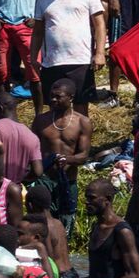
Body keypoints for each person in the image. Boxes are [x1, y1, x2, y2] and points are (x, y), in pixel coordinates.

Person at [31, 0, 107, 115]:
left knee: (80, 107)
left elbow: (99, 24)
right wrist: (33, 57)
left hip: (80, 60)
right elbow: (37, 32)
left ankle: (82, 140)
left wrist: (100, 53)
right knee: (55, 107)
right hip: (52, 62)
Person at [32, 79, 93, 227]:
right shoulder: (41, 120)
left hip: (67, 181)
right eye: (52, 96)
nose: (53, 100)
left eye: (58, 96)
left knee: (66, 223)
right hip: (44, 180)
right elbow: (32, 150)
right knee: (42, 223)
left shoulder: (82, 122)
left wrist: (67, 159)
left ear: (71, 97)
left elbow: (84, 156)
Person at [67, 178, 139, 278]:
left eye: (92, 198)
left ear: (108, 199)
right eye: (86, 198)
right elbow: (101, 277)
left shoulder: (122, 231)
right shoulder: (96, 227)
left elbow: (135, 276)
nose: (87, 202)